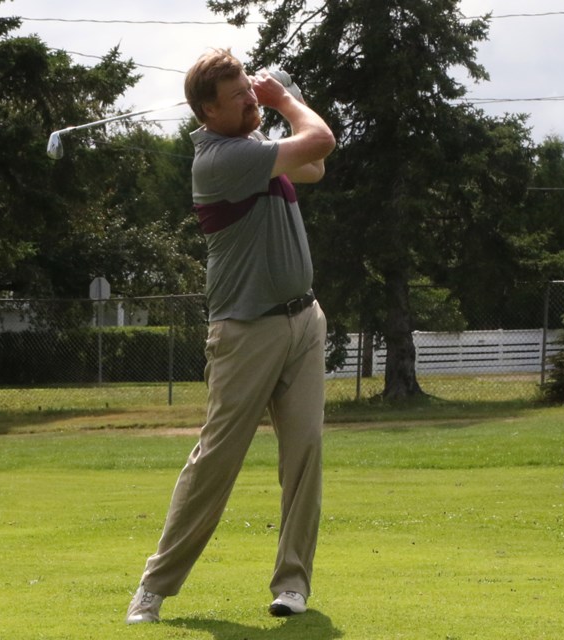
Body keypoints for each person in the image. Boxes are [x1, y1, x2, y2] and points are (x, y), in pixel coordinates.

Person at [125, 48, 336, 624]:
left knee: (306, 453)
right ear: (207, 112)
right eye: (238, 94)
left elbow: (310, 167)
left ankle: (292, 584)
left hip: (303, 321)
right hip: (246, 330)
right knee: (217, 459)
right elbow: (320, 143)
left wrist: (271, 106)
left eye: (250, 86)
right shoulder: (219, 159)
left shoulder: (254, 150)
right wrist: (285, 99)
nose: (250, 96)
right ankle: (156, 585)